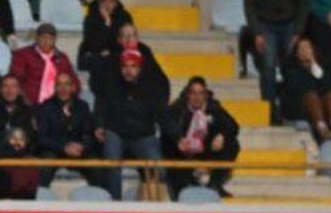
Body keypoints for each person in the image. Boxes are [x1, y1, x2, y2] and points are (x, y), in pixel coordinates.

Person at [94, 48, 164, 200]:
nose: (128, 70)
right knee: (112, 162)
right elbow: (100, 110)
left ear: (139, 68)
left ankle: (154, 206)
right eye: (125, 66)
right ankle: (115, 204)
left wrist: (179, 138)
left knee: (159, 167)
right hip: (116, 132)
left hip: (142, 135)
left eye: (133, 66)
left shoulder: (151, 88)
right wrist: (99, 126)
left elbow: (163, 114)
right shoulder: (110, 85)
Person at [243, 0, 310, 114]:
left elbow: (304, 4)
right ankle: (270, 110)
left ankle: (289, 108)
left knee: (291, 68)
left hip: (290, 25)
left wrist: (298, 31)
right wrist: (257, 32)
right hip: (265, 25)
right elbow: (250, 4)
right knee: (268, 68)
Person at [160, 77, 241, 198]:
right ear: (188, 94)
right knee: (168, 147)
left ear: (206, 95)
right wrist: (178, 140)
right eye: (193, 93)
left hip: (206, 149)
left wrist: (222, 135)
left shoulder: (214, 107)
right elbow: (166, 128)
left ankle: (214, 183)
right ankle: (180, 189)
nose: (197, 97)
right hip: (184, 151)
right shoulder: (177, 108)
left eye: (201, 93)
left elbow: (233, 125)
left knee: (232, 143)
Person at [33, 71, 100, 187]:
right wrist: (63, 147)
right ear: (55, 87)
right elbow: (42, 138)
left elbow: (89, 133)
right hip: (55, 150)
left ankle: (101, 200)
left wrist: (82, 146)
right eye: (59, 85)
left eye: (67, 84)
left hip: (79, 151)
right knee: (45, 163)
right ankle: (40, 199)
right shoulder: (46, 107)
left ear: (73, 87)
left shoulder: (82, 106)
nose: (63, 88)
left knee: (96, 165)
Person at [281, 37, 331, 141]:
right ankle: (322, 130)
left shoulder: (321, 66)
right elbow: (300, 89)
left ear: (313, 51)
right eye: (301, 49)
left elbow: (328, 86)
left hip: (321, 106)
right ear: (297, 54)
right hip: (301, 106)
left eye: (308, 48)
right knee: (311, 95)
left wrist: (313, 64)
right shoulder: (291, 69)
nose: (305, 51)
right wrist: (310, 71)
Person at [10, 23, 80, 107]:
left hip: (57, 105)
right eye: (43, 38)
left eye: (50, 39)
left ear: (54, 40)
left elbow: (74, 81)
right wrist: (24, 100)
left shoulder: (62, 58)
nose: (46, 42)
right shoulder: (23, 55)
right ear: (37, 38)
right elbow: (15, 79)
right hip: (30, 103)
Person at [79, 0, 132, 77]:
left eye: (111, 1)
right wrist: (107, 23)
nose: (107, 4)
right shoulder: (91, 18)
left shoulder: (124, 17)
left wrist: (109, 50)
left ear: (115, 3)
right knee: (100, 61)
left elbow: (125, 42)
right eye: (104, 1)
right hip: (95, 57)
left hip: (115, 55)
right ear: (99, 3)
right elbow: (93, 44)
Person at [0, 74, 36, 145]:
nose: (10, 91)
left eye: (13, 87)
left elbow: (31, 134)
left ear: (18, 90)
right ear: (0, 89)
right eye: (6, 86)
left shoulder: (26, 110)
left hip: (21, 150)